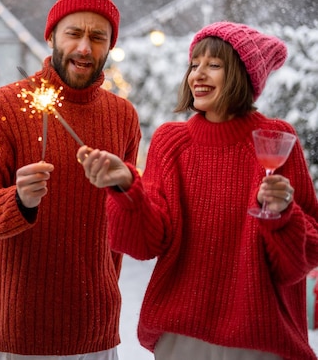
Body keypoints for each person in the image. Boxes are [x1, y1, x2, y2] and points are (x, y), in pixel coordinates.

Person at [77, 21, 318, 359]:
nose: (198, 75)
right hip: (182, 337)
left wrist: (281, 214)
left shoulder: (275, 140)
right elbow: (147, 243)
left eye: (214, 65)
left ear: (242, 75)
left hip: (259, 339)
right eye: (194, 65)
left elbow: (301, 259)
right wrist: (126, 187)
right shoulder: (171, 142)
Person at [0, 0, 141, 359]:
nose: (85, 48)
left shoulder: (123, 116)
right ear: (52, 35)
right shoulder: (1, 109)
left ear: (109, 46)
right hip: (27, 330)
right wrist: (18, 200)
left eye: (97, 37)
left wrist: (125, 186)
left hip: (99, 328)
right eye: (73, 33)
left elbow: (131, 223)